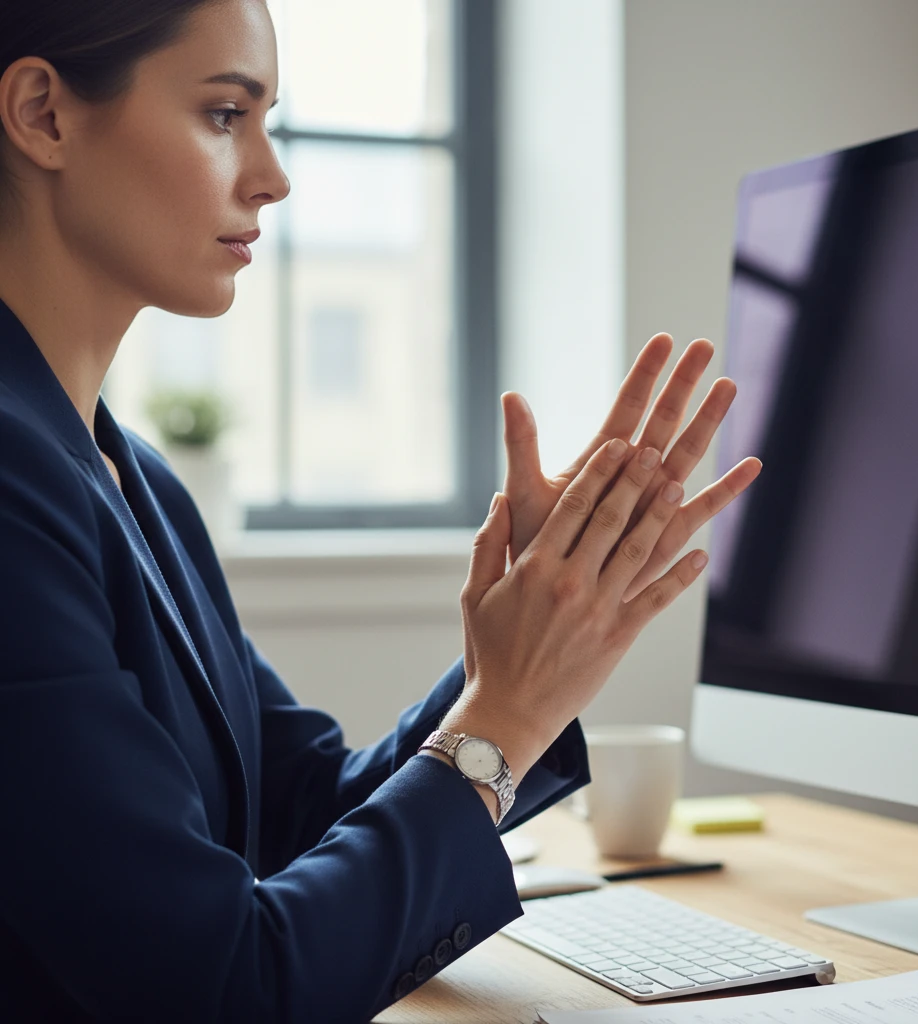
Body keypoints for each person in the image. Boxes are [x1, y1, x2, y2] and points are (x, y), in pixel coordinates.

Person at [0, 2, 761, 1021]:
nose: (273, 176)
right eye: (225, 114)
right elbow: (221, 990)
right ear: (43, 113)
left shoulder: (139, 483)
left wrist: (529, 652)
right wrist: (504, 716)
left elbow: (303, 813)